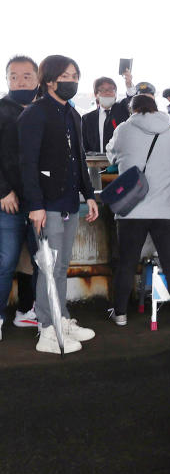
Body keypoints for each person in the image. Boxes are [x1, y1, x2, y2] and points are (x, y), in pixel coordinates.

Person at [18, 54, 99, 354]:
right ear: (49, 80)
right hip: (47, 205)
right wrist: (35, 204)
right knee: (48, 268)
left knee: (61, 266)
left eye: (76, 75)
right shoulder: (34, 114)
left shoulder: (73, 115)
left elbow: (79, 159)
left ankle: (61, 317)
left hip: (69, 203)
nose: (73, 81)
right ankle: (47, 329)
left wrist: (89, 195)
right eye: (66, 75)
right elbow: (27, 163)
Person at [105, 95, 170, 332]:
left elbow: (111, 155)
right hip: (165, 210)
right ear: (156, 108)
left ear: (132, 109)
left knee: (126, 263)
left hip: (131, 209)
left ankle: (121, 314)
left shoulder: (123, 129)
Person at [0, 55, 39, 340]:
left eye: (27, 76)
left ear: (38, 79)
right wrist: (3, 191)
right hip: (8, 202)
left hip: (38, 202)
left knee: (36, 260)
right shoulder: (1, 110)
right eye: (14, 76)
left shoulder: (44, 110)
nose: (20, 81)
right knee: (6, 260)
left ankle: (26, 311)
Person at [80, 77, 130, 154]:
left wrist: (129, 86)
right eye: (103, 90)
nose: (107, 92)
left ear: (115, 94)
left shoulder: (123, 110)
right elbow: (83, 146)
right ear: (96, 94)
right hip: (95, 163)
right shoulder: (87, 119)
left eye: (111, 89)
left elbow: (132, 100)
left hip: (120, 163)